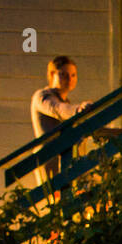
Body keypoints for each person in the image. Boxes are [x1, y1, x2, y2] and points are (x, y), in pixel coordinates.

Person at [30, 55, 92, 187]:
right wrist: (79, 110)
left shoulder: (65, 101)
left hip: (66, 161)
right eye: (64, 74)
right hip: (50, 160)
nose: (70, 79)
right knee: (54, 201)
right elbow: (57, 109)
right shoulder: (42, 96)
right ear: (52, 74)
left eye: (73, 75)